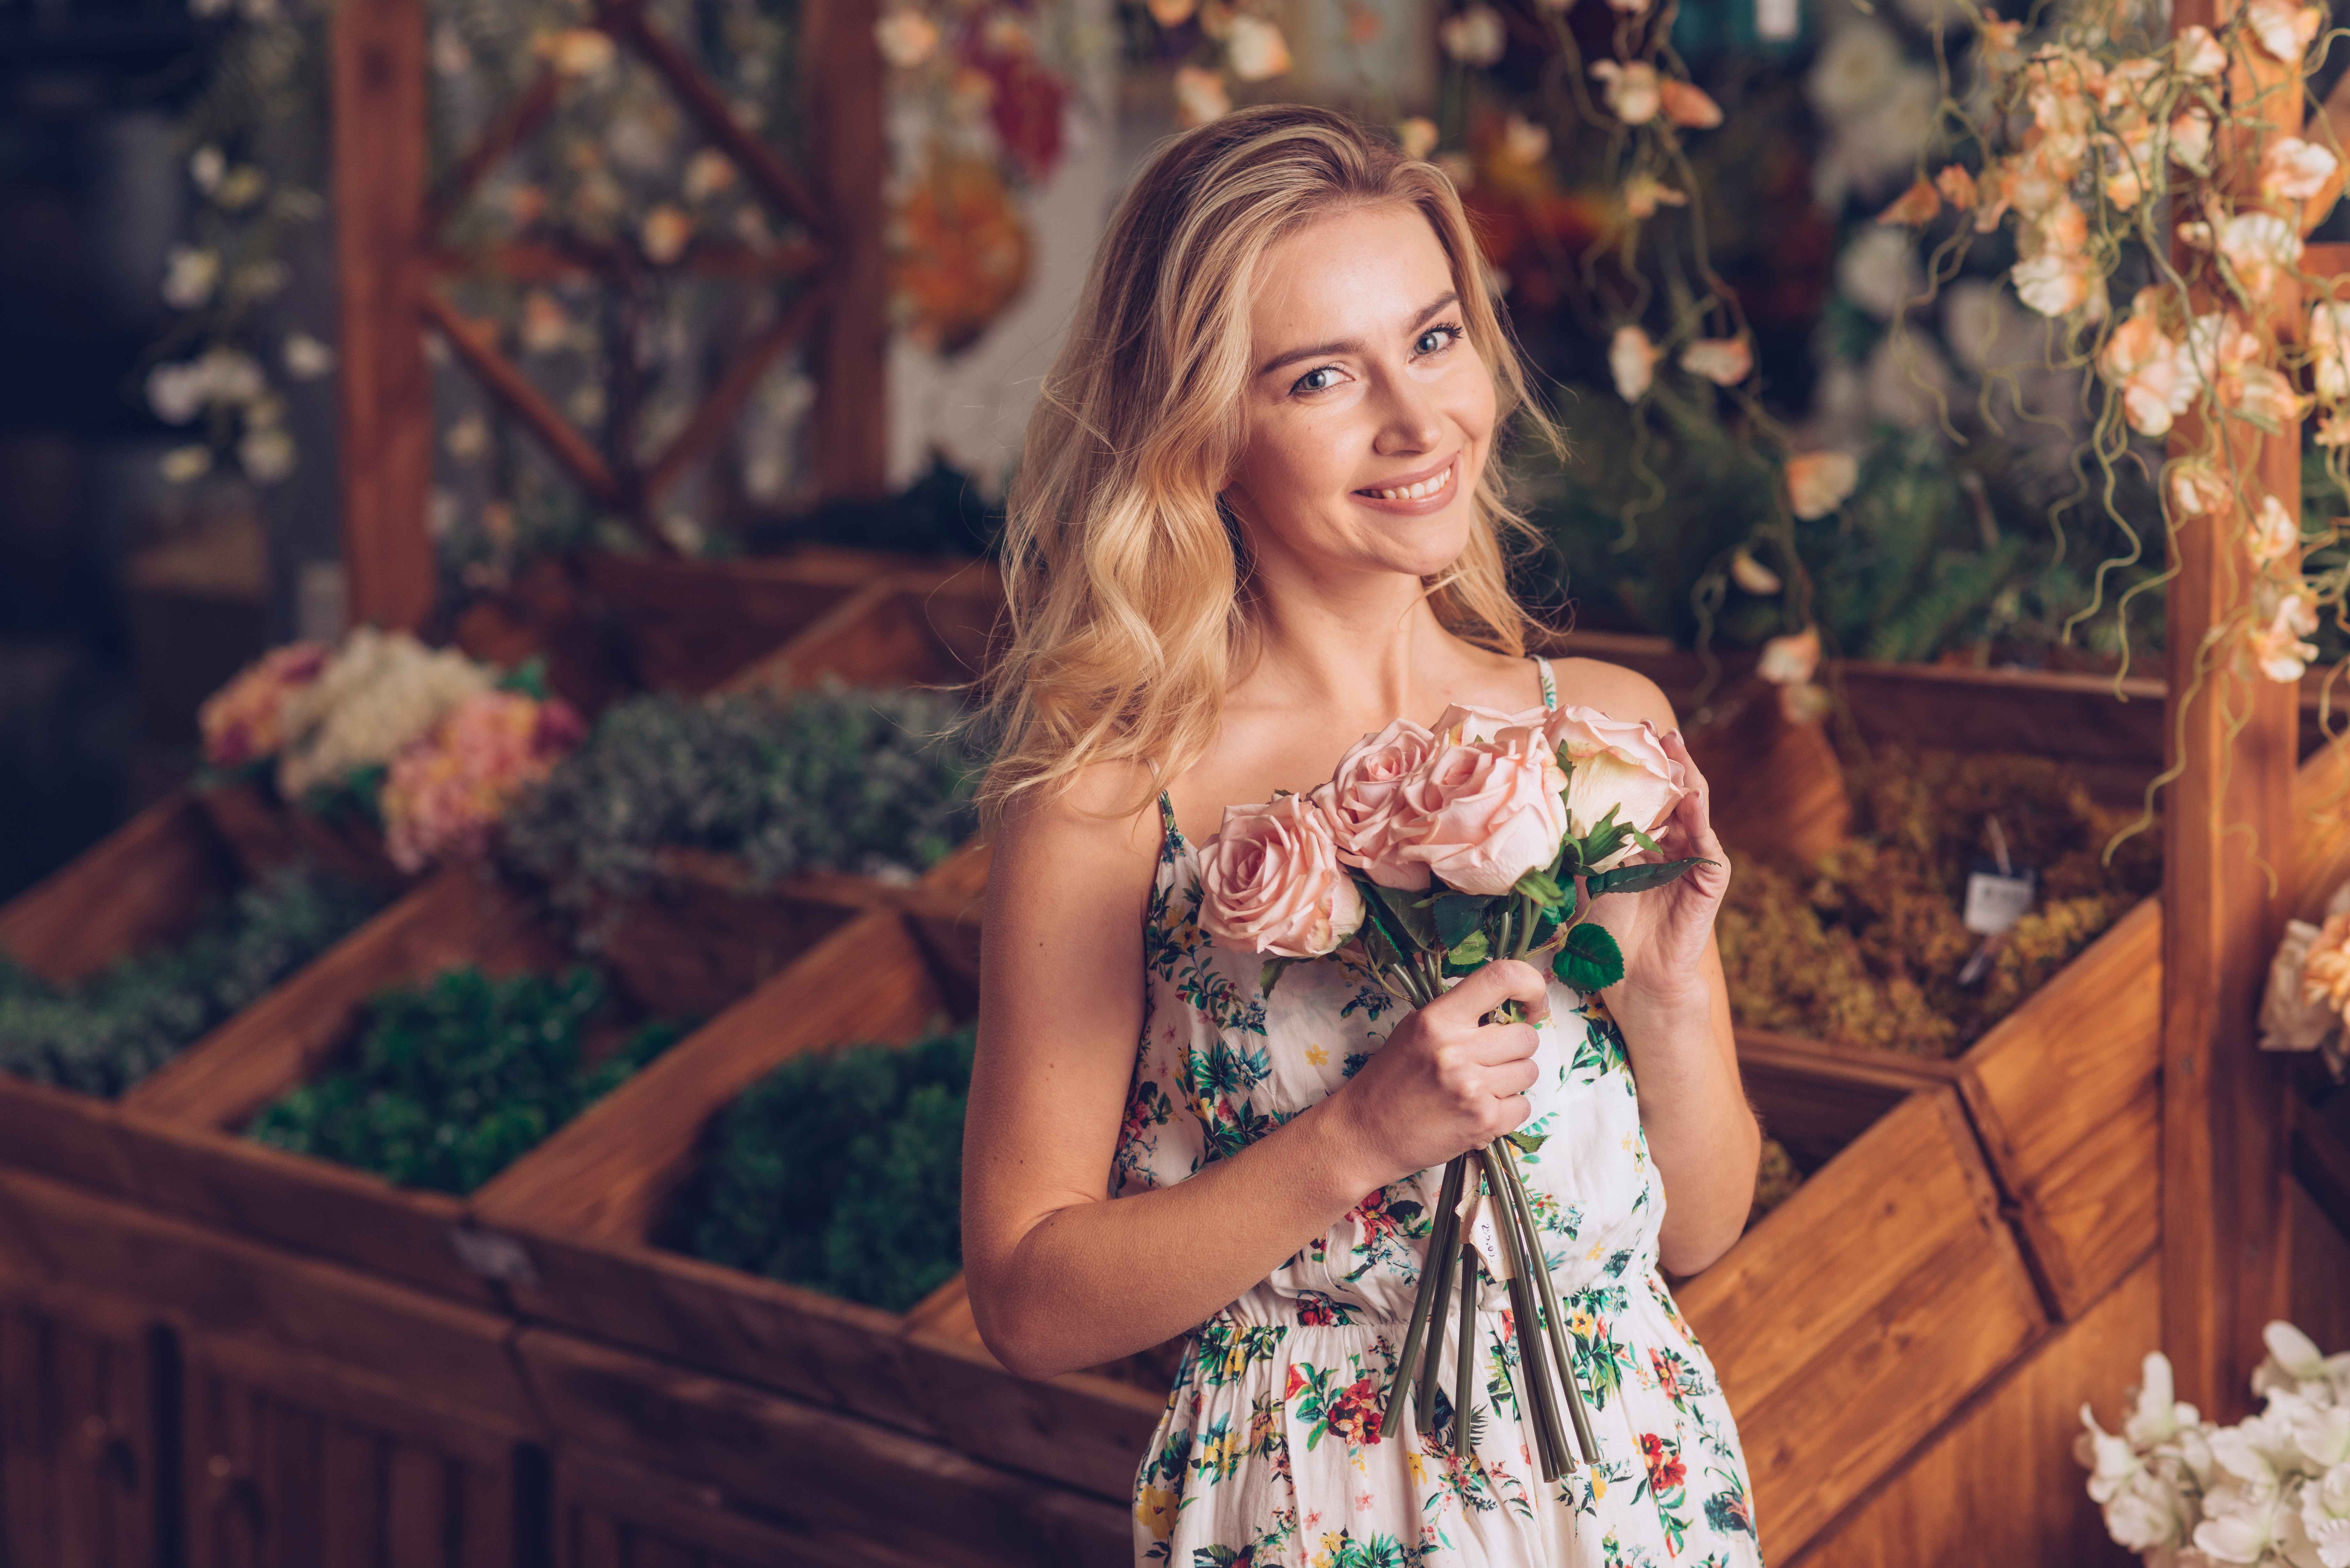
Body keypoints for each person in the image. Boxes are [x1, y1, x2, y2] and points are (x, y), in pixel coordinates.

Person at [962, 103, 1763, 1568]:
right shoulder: (1110, 797)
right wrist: (1359, 1136)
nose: (1417, 422)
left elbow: (1690, 1234)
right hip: (1314, 1509)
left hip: (1633, 1488)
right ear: (1202, 431)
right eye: (1323, 375)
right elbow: (1026, 1298)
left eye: (1436, 338)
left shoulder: (1599, 727)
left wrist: (1670, 987)